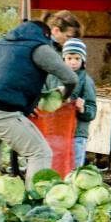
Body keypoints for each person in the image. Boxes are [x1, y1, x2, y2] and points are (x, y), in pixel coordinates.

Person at [0, 11, 81, 186]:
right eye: (67, 37)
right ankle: (34, 204)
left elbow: (10, 78)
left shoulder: (5, 43)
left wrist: (29, 104)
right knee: (40, 153)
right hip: (0, 113)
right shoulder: (40, 48)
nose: (68, 42)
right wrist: (63, 97)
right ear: (55, 31)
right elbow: (71, 79)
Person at [44, 38, 96, 169]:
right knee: (54, 167)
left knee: (73, 169)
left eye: (77, 59)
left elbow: (92, 111)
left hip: (77, 134)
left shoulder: (86, 81)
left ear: (83, 60)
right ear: (63, 59)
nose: (73, 62)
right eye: (69, 58)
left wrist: (83, 108)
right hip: (54, 132)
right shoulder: (51, 77)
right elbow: (42, 99)